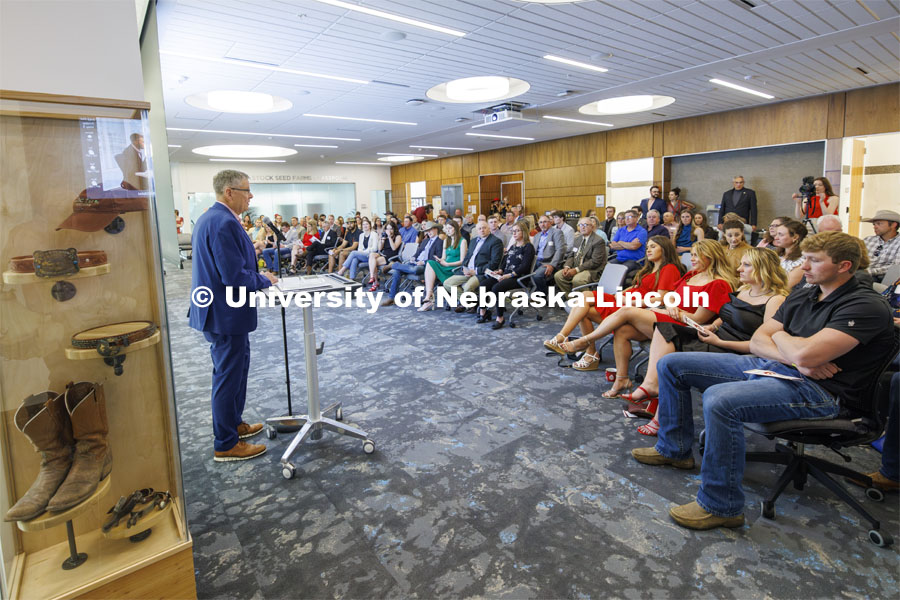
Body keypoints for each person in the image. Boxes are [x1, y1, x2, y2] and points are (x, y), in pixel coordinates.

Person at [634, 231, 895, 530]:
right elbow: (759, 339)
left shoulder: (865, 306)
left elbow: (804, 355)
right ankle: (674, 450)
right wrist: (793, 352)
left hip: (823, 392)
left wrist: (787, 342)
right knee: (671, 364)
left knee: (720, 400)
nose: (803, 267)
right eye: (805, 259)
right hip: (777, 366)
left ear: (844, 266)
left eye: (814, 260)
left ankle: (721, 506)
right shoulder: (806, 292)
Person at [624, 247, 789, 435]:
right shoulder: (745, 290)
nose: (739, 269)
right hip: (716, 337)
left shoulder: (775, 300)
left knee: (672, 356)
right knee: (665, 329)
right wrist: (714, 327)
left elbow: (762, 344)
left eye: (746, 265)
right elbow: (728, 316)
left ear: (763, 268)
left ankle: (659, 414)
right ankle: (650, 387)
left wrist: (720, 341)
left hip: (736, 350)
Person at [561, 239, 737, 392]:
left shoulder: (718, 284)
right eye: (692, 254)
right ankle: (622, 379)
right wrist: (670, 306)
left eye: (696, 256)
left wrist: (669, 310)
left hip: (685, 328)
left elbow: (698, 319)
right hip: (668, 316)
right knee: (622, 330)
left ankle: (585, 341)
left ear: (711, 257)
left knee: (626, 311)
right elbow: (670, 297)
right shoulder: (692, 275)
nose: (691, 259)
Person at [188, 170, 276, 462]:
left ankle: (234, 425)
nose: (251, 196)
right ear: (229, 192)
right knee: (227, 376)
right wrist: (265, 280)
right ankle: (225, 443)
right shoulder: (224, 222)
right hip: (224, 314)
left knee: (236, 372)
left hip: (221, 312)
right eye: (246, 190)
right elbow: (233, 277)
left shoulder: (212, 218)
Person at [543, 236, 684, 373]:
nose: (648, 250)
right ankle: (590, 353)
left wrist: (629, 301)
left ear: (664, 249)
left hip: (634, 308)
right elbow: (636, 287)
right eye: (647, 247)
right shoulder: (649, 268)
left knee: (584, 298)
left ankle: (566, 339)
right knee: (583, 307)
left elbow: (660, 298)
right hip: (624, 300)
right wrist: (622, 293)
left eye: (653, 247)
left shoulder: (669, 268)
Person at [478, 220, 536, 329]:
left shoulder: (528, 247)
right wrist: (500, 271)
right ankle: (483, 312)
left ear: (524, 232)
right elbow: (505, 262)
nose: (514, 233)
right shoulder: (513, 246)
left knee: (497, 288)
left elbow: (525, 267)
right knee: (483, 285)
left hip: (519, 277)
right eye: (513, 231)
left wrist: (508, 275)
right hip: (505, 275)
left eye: (517, 231)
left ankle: (500, 318)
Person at [444, 221, 504, 311]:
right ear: (476, 230)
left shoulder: (495, 242)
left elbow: (494, 263)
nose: (482, 230)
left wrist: (475, 271)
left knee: (468, 287)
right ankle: (472, 302)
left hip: (481, 273)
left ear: (489, 229)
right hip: (467, 271)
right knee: (447, 283)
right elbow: (467, 257)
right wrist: (464, 268)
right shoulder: (473, 241)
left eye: (484, 228)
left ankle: (468, 303)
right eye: (479, 229)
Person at [381, 222, 443, 306]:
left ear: (436, 229)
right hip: (415, 262)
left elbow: (438, 257)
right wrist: (413, 258)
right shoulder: (425, 241)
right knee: (397, 272)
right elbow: (418, 253)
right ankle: (392, 298)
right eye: (427, 230)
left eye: (431, 230)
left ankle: (393, 265)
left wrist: (423, 262)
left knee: (414, 269)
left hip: (426, 266)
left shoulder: (440, 242)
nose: (429, 232)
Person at [419, 220, 467, 311]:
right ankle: (429, 294)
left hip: (454, 268)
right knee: (430, 262)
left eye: (450, 228)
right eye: (447, 228)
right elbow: (444, 257)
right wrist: (440, 260)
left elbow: (462, 261)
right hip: (445, 265)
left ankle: (429, 298)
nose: (448, 231)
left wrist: (447, 263)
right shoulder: (446, 241)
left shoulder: (462, 241)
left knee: (430, 265)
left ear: (455, 229)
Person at [553, 217, 607, 296]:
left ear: (592, 227)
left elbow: (595, 262)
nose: (583, 227)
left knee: (578, 280)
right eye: (580, 225)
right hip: (576, 267)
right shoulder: (578, 239)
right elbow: (572, 255)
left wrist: (576, 270)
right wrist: (567, 266)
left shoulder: (598, 241)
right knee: (558, 276)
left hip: (591, 270)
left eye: (585, 225)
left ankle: (588, 301)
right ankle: (572, 300)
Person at [529, 214, 567, 295]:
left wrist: (552, 265)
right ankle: (532, 292)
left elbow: (560, 250)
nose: (542, 224)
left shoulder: (557, 233)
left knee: (537, 276)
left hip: (548, 262)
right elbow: (533, 251)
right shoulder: (537, 235)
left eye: (545, 222)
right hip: (535, 261)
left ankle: (543, 295)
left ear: (550, 222)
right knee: (522, 272)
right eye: (540, 222)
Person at [609, 209, 648, 285]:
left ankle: (618, 292)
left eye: (629, 217)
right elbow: (613, 245)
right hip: (619, 258)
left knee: (621, 270)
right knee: (607, 267)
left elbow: (634, 246)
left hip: (635, 260)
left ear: (636, 218)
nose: (626, 219)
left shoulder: (641, 231)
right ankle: (607, 291)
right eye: (625, 217)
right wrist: (628, 244)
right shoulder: (621, 230)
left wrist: (620, 242)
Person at [861, 209, 900, 283]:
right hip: (864, 274)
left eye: (879, 223)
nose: (875, 227)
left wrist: (869, 271)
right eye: (874, 224)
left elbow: (896, 267)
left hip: (884, 279)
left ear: (893, 225)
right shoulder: (868, 240)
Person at [367, 221, 402, 291]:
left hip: (391, 256)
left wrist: (389, 237)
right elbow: (379, 249)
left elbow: (394, 248)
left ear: (394, 229)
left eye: (391, 229)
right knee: (371, 255)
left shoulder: (398, 236)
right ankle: (372, 277)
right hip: (383, 254)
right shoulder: (384, 235)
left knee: (374, 262)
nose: (389, 231)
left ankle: (375, 282)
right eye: (387, 229)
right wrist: (381, 240)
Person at [773, 219, 808, 288]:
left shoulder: (801, 262)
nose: (776, 238)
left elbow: (785, 287)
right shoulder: (777, 254)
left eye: (780, 234)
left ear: (795, 237)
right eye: (777, 234)